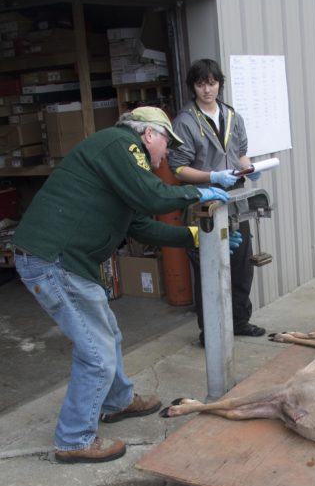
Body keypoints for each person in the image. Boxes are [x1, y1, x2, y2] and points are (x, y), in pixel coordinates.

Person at [12, 106, 231, 464]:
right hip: (55, 260)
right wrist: (199, 191)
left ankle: (117, 401)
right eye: (166, 143)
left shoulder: (122, 169)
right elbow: (155, 197)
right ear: (148, 135)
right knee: (96, 354)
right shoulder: (120, 144)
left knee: (106, 336)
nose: (167, 154)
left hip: (66, 261)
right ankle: (73, 440)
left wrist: (194, 236)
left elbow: (141, 225)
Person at [168, 58, 266, 345]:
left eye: (212, 83)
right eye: (200, 84)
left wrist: (249, 168)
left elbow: (242, 152)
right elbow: (178, 168)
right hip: (204, 202)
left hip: (236, 199)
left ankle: (239, 322)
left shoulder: (233, 116)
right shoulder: (185, 121)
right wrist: (212, 176)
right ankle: (209, 332)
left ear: (220, 83)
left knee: (240, 265)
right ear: (193, 87)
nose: (207, 90)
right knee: (208, 268)